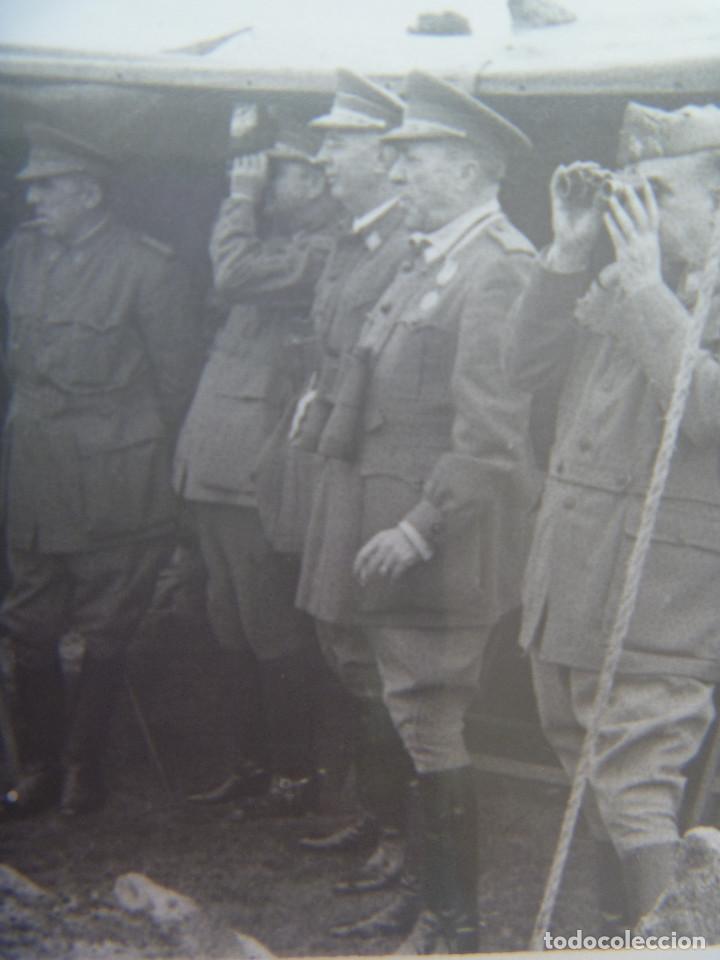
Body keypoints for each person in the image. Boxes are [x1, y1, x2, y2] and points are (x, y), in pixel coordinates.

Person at [299, 71, 537, 953]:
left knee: (432, 726)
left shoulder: (499, 271)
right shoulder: (431, 256)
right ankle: (418, 900)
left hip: (438, 545)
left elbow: (491, 439)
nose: (395, 176)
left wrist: (418, 525)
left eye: (415, 159)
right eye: (392, 159)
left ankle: (455, 923)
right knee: (406, 718)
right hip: (391, 538)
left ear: (472, 168)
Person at [507, 102, 720, 928]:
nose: (635, 211)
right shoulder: (628, 276)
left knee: (636, 792)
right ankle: (608, 946)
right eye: (629, 190)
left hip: (664, 598)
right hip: (572, 586)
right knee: (589, 784)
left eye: (657, 192)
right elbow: (520, 365)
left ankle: (673, 949)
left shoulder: (647, 286)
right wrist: (565, 252)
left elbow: (706, 409)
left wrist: (640, 290)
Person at [0, 123, 198, 817]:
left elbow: (177, 385)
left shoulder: (147, 267)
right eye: (31, 187)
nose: (34, 199)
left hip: (116, 481)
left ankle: (87, 770)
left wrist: (157, 472)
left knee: (107, 629)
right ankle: (40, 770)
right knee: (29, 627)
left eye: (47, 187)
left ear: (88, 193)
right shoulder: (19, 256)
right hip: (35, 477)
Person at [271, 71, 419, 920]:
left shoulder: (408, 245)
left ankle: (400, 833)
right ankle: (372, 816)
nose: (324, 157)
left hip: (373, 474)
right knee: (338, 641)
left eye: (339, 142)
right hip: (331, 465)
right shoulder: (352, 241)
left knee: (372, 652)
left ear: (383, 154)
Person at [173, 121, 339, 817]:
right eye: (263, 175)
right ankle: (252, 762)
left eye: (283, 173)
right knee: (226, 619)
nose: (268, 186)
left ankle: (296, 772)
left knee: (267, 623)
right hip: (210, 460)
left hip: (251, 468)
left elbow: (232, 272)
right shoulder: (275, 241)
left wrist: (237, 197)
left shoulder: (327, 245)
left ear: (320, 181)